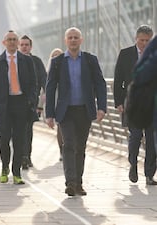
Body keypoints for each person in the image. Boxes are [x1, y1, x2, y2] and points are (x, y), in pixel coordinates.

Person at [46, 27, 107, 196]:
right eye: (70, 37)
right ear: (66, 41)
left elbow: (100, 84)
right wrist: (49, 114)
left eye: (76, 37)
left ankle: (79, 183)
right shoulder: (58, 62)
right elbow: (50, 88)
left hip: (85, 110)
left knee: (80, 147)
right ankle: (70, 183)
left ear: (81, 40)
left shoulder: (90, 60)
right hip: (66, 112)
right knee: (69, 145)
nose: (73, 40)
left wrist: (102, 107)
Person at [0, 30, 38, 185]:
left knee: (19, 140)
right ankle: (4, 168)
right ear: (4, 43)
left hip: (21, 103)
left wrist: (31, 101)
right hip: (3, 105)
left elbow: (33, 83)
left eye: (15, 39)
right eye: (9, 39)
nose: (12, 42)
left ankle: (17, 172)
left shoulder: (26, 61)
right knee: (4, 139)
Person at [113, 25, 157, 185]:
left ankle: (149, 174)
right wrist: (118, 102)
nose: (144, 44)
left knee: (152, 141)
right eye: (142, 40)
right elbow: (118, 81)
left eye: (148, 40)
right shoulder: (125, 54)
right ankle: (133, 164)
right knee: (136, 136)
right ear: (136, 39)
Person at [18, 35, 47, 169]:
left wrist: (44, 99)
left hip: (31, 102)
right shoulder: (13, 61)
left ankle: (26, 157)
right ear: (19, 46)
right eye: (22, 44)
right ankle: (20, 155)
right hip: (15, 102)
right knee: (16, 131)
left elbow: (44, 80)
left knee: (28, 130)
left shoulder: (36, 61)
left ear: (30, 47)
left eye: (26, 45)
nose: (24, 47)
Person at [46, 48, 64, 162]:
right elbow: (47, 90)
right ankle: (62, 150)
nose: (56, 58)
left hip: (66, 100)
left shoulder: (66, 69)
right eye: (54, 56)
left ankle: (68, 150)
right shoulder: (49, 71)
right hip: (56, 101)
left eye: (58, 55)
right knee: (60, 127)